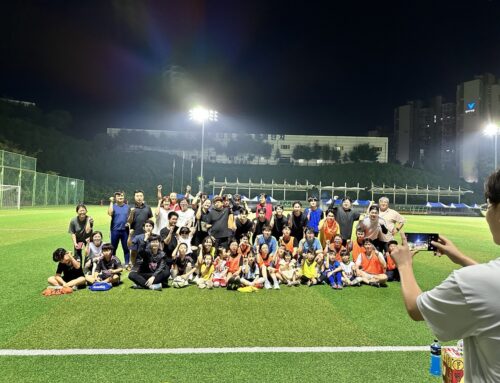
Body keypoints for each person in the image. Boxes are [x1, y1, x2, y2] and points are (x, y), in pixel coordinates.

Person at [389, 170, 500, 382]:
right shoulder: (484, 280)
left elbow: (415, 308)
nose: (487, 213)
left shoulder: (470, 282)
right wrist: (460, 257)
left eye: (489, 205)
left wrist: (404, 265)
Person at [127, 190, 153, 267]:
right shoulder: (131, 207)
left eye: (141, 196)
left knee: (146, 250)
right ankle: (133, 266)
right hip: (135, 233)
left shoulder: (148, 207)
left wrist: (150, 230)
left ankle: (145, 266)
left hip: (145, 234)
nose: (139, 198)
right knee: (134, 251)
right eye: (137, 196)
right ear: (134, 197)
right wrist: (132, 212)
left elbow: (150, 220)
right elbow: (129, 221)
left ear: (143, 197)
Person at [108, 191, 131, 267]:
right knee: (113, 248)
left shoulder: (127, 207)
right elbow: (110, 213)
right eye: (118, 196)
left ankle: (127, 263)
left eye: (122, 196)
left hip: (125, 231)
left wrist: (129, 223)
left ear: (124, 197)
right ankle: (113, 263)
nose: (120, 197)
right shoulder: (113, 206)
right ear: (115, 198)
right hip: (115, 230)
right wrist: (111, 202)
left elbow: (130, 218)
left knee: (126, 248)